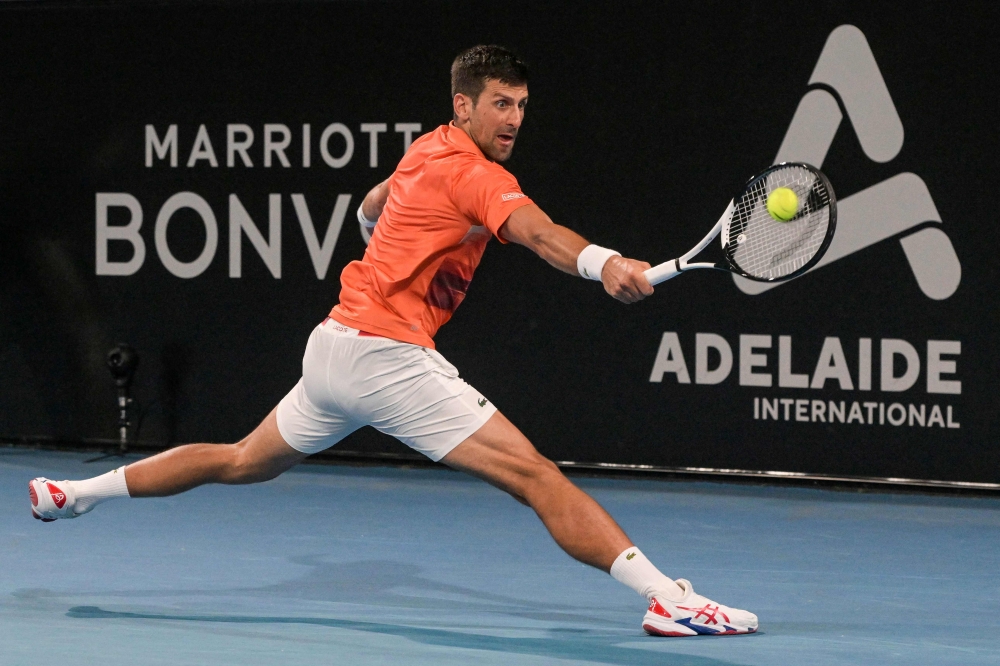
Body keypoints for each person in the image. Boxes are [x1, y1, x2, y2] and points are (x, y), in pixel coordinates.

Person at [29, 45, 757, 637]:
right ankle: (667, 600)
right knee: (536, 477)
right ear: (463, 105)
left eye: (522, 106)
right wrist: (606, 263)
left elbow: (372, 203)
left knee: (243, 459)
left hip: (333, 347)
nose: (513, 119)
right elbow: (540, 234)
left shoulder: (426, 149)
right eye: (500, 104)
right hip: (385, 356)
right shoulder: (476, 175)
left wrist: (380, 235)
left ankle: (76, 494)